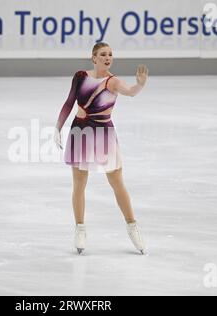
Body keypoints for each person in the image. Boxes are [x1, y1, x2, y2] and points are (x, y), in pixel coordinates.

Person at [54, 42, 149, 255]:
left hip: (104, 133)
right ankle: (80, 228)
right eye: (103, 54)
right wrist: (58, 127)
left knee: (116, 180)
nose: (108, 58)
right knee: (79, 182)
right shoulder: (80, 77)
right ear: (94, 58)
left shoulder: (113, 82)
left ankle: (132, 227)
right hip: (80, 131)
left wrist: (140, 85)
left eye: (110, 55)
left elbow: (130, 92)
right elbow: (69, 102)